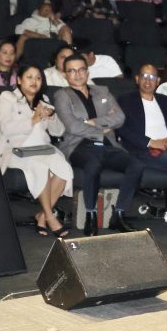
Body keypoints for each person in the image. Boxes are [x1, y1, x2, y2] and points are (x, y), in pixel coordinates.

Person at [53, 54, 144, 236]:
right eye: (72, 71)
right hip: (78, 146)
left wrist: (92, 122)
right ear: (65, 75)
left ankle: (118, 215)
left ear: (87, 72)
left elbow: (120, 117)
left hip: (106, 145)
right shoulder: (62, 95)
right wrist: (102, 128)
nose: (77, 74)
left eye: (81, 69)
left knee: (136, 165)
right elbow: (71, 126)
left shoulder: (102, 91)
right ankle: (91, 215)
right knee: (93, 163)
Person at [115, 63, 167, 232]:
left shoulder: (165, 101)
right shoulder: (125, 100)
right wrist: (150, 142)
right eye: (144, 76)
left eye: (152, 77)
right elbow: (121, 128)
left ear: (158, 81)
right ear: (137, 79)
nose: (148, 81)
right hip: (144, 149)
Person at [0, 65, 73, 237]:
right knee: (39, 166)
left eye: (38, 78)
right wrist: (33, 120)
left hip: (42, 148)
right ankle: (50, 217)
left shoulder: (44, 101)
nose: (34, 81)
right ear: (19, 80)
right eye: (29, 77)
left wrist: (52, 117)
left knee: (64, 168)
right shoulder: (7, 97)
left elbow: (58, 132)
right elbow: (5, 128)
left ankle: (41, 216)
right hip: (15, 149)